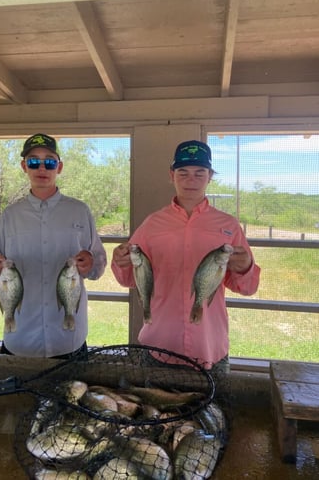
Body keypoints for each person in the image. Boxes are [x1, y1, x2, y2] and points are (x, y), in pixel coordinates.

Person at [111, 140, 260, 375]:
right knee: (155, 411)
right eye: (183, 172)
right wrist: (120, 262)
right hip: (158, 344)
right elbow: (130, 278)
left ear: (210, 176)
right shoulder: (152, 224)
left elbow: (247, 287)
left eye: (200, 172)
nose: (191, 179)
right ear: (172, 175)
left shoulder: (228, 225)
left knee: (213, 412)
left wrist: (245, 267)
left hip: (209, 347)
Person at [0, 133, 107, 358]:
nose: (41, 168)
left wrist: (91, 264)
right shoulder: (9, 216)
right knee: (18, 395)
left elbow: (97, 267)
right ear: (23, 166)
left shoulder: (80, 211)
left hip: (68, 339)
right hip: (20, 338)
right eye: (33, 161)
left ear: (59, 167)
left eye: (49, 161)